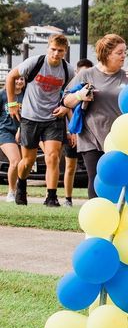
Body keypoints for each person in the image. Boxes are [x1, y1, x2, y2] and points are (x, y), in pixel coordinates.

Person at [5, 33, 71, 206]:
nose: (56, 54)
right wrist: (12, 103)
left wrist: (65, 106)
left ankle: (51, 197)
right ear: (48, 48)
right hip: (30, 117)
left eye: (60, 51)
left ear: (65, 51)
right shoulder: (34, 63)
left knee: (53, 156)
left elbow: (73, 93)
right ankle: (21, 185)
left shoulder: (68, 70)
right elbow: (10, 77)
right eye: (53, 49)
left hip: (53, 117)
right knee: (27, 161)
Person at [63, 35, 128, 200]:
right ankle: (96, 221)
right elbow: (66, 101)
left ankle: (116, 218)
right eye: (119, 52)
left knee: (117, 179)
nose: (124, 56)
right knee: (96, 179)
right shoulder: (87, 75)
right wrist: (79, 95)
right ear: (107, 54)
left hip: (119, 139)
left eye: (124, 52)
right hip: (91, 137)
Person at [62, 58, 93, 207]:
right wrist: (71, 131)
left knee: (92, 170)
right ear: (77, 72)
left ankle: (94, 199)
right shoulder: (72, 89)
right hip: (74, 131)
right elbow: (67, 108)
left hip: (90, 133)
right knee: (70, 166)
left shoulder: (94, 87)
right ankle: (68, 198)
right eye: (81, 73)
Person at [1, 75, 23, 202]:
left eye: (22, 79)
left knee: (24, 163)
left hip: (24, 132)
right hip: (5, 131)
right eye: (17, 79)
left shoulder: (27, 95)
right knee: (15, 161)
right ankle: (11, 192)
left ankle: (21, 190)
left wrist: (20, 130)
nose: (19, 81)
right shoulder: (3, 95)